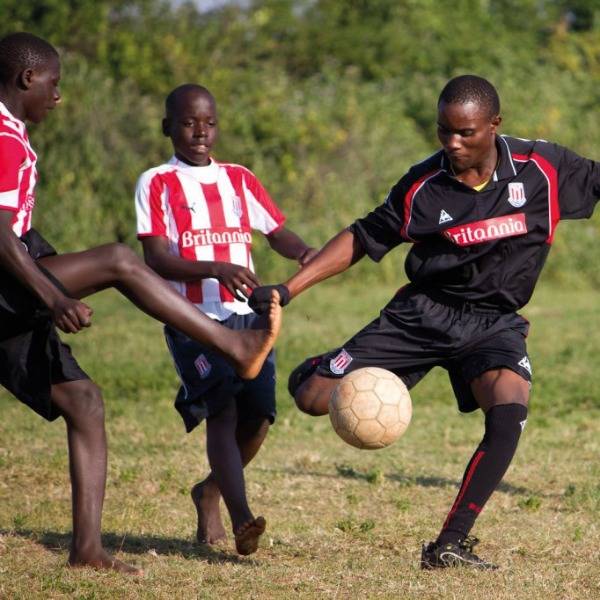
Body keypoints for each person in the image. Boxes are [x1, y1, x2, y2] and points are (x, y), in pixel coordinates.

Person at [249, 74, 600, 569]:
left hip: (493, 322)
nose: (452, 144)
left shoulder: (542, 168)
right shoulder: (423, 186)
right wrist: (288, 289)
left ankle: (449, 545)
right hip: (422, 314)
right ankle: (324, 368)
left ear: (494, 126)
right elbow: (362, 237)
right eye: (444, 132)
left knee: (508, 411)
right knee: (312, 396)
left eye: (466, 133)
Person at [0, 32, 282, 575]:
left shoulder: (16, 133)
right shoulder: (4, 136)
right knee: (118, 259)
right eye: (54, 85)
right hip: (9, 287)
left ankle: (86, 552)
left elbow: (18, 232)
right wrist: (51, 294)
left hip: (13, 287)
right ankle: (229, 342)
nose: (58, 96)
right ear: (27, 79)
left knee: (83, 403)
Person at [134, 83, 316, 555]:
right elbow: (155, 259)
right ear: (167, 127)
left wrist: (305, 253)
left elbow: (276, 231)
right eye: (189, 122)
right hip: (194, 320)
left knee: (258, 419)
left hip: (250, 319)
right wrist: (215, 268)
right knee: (222, 410)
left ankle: (210, 491)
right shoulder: (156, 182)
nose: (200, 131)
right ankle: (242, 519)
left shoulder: (239, 178)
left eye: (209, 122)